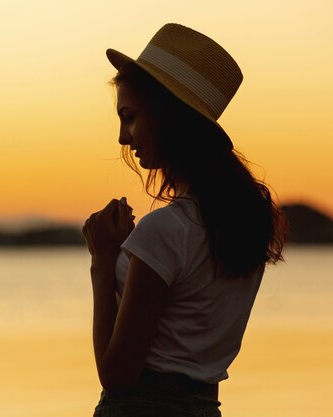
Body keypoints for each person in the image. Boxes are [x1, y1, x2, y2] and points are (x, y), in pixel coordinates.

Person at [82, 23, 287, 417]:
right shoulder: (243, 228)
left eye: (130, 117)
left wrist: (103, 260)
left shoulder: (166, 231)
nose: (124, 138)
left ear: (165, 116)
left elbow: (117, 374)